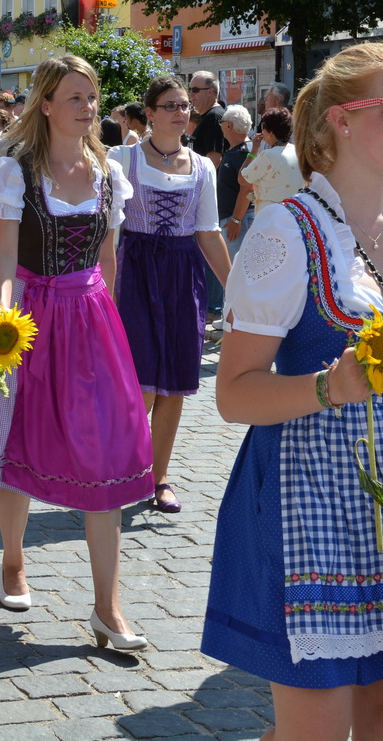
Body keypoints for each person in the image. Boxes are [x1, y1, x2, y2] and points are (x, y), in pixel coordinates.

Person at [204, 41, 383, 740]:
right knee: (317, 730)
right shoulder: (285, 230)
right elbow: (234, 394)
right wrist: (331, 388)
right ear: (341, 119)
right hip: (309, 489)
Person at [0, 54, 154, 652]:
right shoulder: (17, 173)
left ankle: (107, 606)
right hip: (32, 318)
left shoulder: (110, 172)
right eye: (74, 97)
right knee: (21, 437)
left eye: (92, 97)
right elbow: (3, 257)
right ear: (46, 105)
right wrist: (2, 322)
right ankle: (13, 560)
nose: (88, 108)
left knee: (106, 453)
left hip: (91, 319)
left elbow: (108, 260)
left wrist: (111, 326)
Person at [109, 76, 230, 515]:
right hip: (134, 273)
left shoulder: (202, 168)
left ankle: (158, 477)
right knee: (139, 384)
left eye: (184, 105)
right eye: (171, 105)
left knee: (174, 386)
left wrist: (235, 293)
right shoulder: (122, 159)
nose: (181, 112)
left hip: (181, 275)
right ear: (151, 113)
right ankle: (121, 467)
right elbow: (107, 229)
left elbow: (208, 233)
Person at [237, 108, 299, 217]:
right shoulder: (298, 153)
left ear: (270, 132)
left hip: (270, 216)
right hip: (295, 215)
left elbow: (242, 179)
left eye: (263, 127)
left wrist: (254, 151)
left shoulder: (268, 156)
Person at [215, 104, 253, 254]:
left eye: (222, 123)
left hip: (238, 221)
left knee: (237, 266)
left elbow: (247, 188)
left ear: (229, 125)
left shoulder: (243, 153)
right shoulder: (241, 150)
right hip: (235, 220)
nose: (220, 126)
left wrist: (236, 220)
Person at [187, 71, 225, 167]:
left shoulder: (213, 117)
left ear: (210, 92)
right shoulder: (207, 116)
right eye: (190, 89)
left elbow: (214, 160)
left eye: (195, 90)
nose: (191, 94)